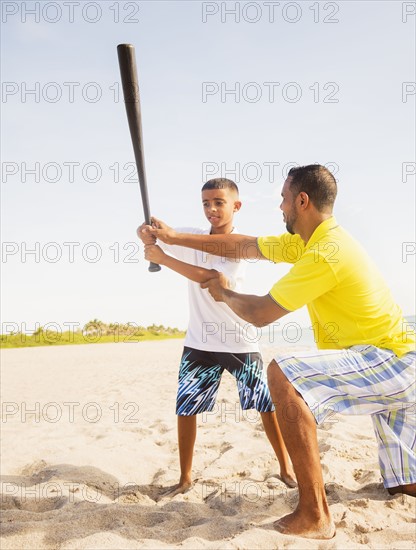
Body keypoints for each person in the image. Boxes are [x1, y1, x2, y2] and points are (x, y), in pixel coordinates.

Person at [145, 165, 416, 539]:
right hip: (397, 365)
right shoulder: (307, 240)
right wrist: (173, 238)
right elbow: (240, 245)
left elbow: (259, 314)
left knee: (284, 373)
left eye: (284, 199)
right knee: (406, 485)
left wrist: (225, 293)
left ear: (301, 201)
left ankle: (314, 514)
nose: (280, 207)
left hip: (390, 363)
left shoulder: (326, 251)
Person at [137, 177, 296, 497]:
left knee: (265, 405)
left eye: (219, 203)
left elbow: (212, 278)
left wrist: (164, 258)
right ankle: (184, 478)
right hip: (199, 341)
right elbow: (159, 234)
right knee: (185, 409)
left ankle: (286, 468)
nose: (211, 209)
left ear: (236, 206)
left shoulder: (237, 245)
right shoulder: (193, 235)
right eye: (206, 203)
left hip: (239, 340)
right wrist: (146, 233)